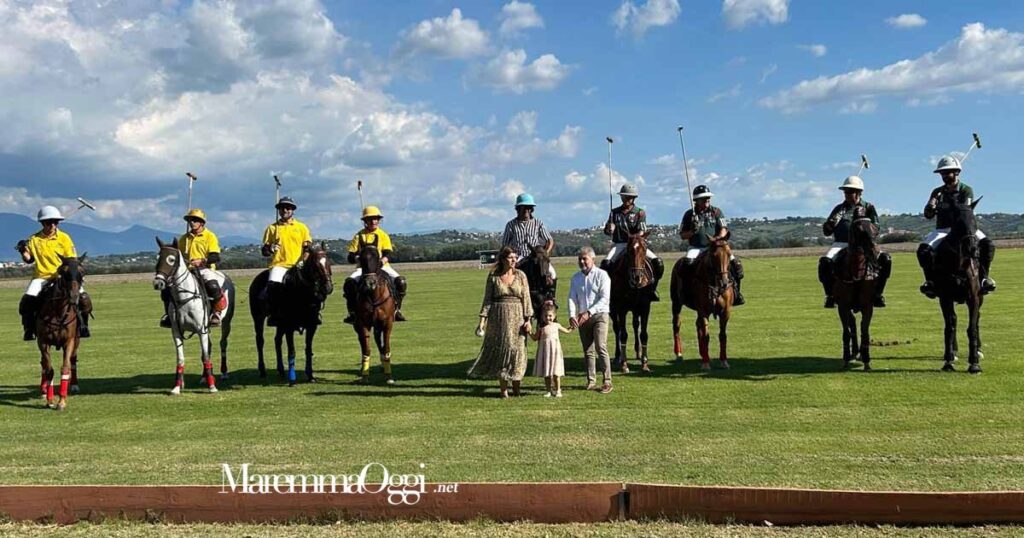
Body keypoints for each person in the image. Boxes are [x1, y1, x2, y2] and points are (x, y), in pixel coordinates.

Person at [917, 155, 996, 298]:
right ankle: (930, 282)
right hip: (943, 229)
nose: (945, 176)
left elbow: (964, 212)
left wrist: (952, 199)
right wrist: (930, 206)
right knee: (923, 250)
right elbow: (928, 215)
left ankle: (984, 279)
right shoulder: (937, 192)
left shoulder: (966, 190)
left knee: (988, 245)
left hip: (965, 229)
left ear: (957, 172)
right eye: (942, 173)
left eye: (948, 172)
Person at [16, 205, 92, 340]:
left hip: (63, 276)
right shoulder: (34, 240)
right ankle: (29, 330)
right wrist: (23, 250)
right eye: (48, 222)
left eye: (55, 222)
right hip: (42, 276)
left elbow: (72, 260)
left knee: (84, 298)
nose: (52, 225)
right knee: (27, 300)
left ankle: (84, 326)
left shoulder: (64, 238)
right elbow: (29, 259)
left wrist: (70, 275)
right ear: (42, 223)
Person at [468, 246, 533, 398]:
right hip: (498, 318)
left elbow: (527, 298)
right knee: (502, 351)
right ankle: (503, 389)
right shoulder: (493, 276)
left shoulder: (521, 275)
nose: (514, 260)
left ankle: (517, 387)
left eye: (515, 257)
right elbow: (487, 300)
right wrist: (482, 322)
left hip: (518, 318)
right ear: (503, 259)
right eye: (511, 258)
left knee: (517, 352)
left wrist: (528, 319)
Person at [818, 176, 891, 308]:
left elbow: (876, 228)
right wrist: (830, 223)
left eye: (850, 191)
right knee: (824, 263)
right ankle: (830, 295)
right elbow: (827, 231)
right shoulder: (839, 209)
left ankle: (878, 294)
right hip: (841, 243)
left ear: (859, 193)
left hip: (865, 245)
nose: (847, 194)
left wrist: (863, 224)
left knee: (886, 260)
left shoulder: (868, 207)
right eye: (845, 192)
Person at [677, 185, 745, 305]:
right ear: (696, 201)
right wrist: (692, 231)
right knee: (686, 264)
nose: (707, 200)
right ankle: (687, 293)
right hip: (696, 247)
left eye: (708, 198)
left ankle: (737, 293)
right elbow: (682, 235)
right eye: (703, 199)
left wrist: (718, 238)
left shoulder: (716, 212)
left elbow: (723, 228)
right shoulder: (689, 214)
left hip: (716, 246)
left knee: (736, 264)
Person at [160, 209, 227, 327]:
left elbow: (215, 256)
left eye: (195, 220)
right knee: (166, 288)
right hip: (187, 270)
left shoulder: (209, 236)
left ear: (202, 222)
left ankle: (216, 313)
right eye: (190, 220)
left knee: (213, 286)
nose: (192, 223)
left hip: (205, 269)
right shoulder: (184, 238)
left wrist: (202, 261)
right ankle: (168, 315)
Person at [342, 205, 408, 323]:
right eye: (370, 219)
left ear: (379, 220)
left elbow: (388, 253)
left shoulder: (383, 235)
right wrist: (359, 259)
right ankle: (352, 312)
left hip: (382, 267)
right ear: (365, 221)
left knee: (401, 282)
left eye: (375, 219)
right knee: (348, 284)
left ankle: (396, 310)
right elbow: (350, 256)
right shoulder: (359, 236)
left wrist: (382, 261)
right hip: (363, 269)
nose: (373, 221)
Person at [600, 183, 664, 300]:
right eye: (625, 196)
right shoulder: (614, 212)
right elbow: (607, 231)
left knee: (658, 262)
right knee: (605, 264)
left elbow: (642, 231)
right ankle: (606, 290)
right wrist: (610, 229)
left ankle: (652, 289)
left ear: (634, 198)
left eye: (629, 197)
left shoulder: (640, 212)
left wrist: (635, 239)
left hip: (636, 244)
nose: (627, 199)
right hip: (620, 244)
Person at [260, 196, 312, 326]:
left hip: (298, 265)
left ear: (293, 210)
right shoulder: (272, 228)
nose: (285, 210)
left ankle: (313, 314)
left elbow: (307, 248)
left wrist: (303, 261)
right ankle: (274, 314)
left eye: (288, 208)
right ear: (279, 210)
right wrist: (271, 248)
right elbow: (264, 251)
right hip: (279, 265)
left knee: (312, 287)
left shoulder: (302, 227)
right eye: (282, 208)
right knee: (273, 286)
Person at [568, 246, 613, 394]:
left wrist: (589, 312)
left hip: (599, 315)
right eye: (579, 259)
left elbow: (604, 299)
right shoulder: (575, 278)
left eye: (584, 259)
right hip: (582, 317)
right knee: (588, 350)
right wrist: (572, 315)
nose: (582, 261)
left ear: (592, 260)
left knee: (601, 347)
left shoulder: (602, 275)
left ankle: (607, 381)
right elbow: (571, 298)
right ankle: (591, 380)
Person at [502, 193, 556, 281]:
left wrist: (545, 253)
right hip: (517, 258)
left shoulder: (538, 223)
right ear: (518, 209)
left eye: (529, 207)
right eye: (524, 207)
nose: (527, 210)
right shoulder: (511, 225)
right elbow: (505, 245)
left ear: (532, 209)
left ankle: (550, 294)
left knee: (552, 274)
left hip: (536, 258)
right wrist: (511, 257)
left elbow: (549, 240)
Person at [531, 302, 572, 398]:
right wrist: (529, 331)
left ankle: (558, 390)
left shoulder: (556, 325)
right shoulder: (541, 328)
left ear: (554, 316)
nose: (548, 318)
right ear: (542, 316)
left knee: (556, 373)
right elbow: (535, 338)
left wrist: (572, 327)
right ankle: (548, 390)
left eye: (550, 316)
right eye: (545, 316)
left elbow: (567, 331)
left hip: (555, 352)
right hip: (545, 352)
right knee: (547, 373)